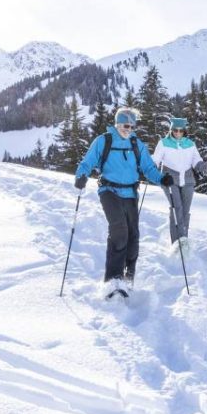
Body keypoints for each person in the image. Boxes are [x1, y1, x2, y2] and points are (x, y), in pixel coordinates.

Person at [74, 107, 173, 299]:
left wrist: (161, 179)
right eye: (126, 125)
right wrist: (81, 176)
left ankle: (128, 278)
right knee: (119, 230)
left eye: (132, 126)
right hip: (109, 191)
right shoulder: (104, 141)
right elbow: (87, 162)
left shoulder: (136, 143)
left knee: (133, 236)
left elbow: (148, 167)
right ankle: (112, 280)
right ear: (117, 124)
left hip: (130, 192)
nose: (129, 129)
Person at [151, 117, 207, 255]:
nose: (178, 133)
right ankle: (176, 243)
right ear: (171, 130)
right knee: (177, 208)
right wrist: (152, 166)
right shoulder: (164, 143)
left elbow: (196, 161)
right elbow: (156, 159)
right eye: (175, 130)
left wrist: (204, 166)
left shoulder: (190, 143)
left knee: (185, 211)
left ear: (184, 131)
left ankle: (184, 240)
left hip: (188, 180)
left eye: (180, 131)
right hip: (169, 179)